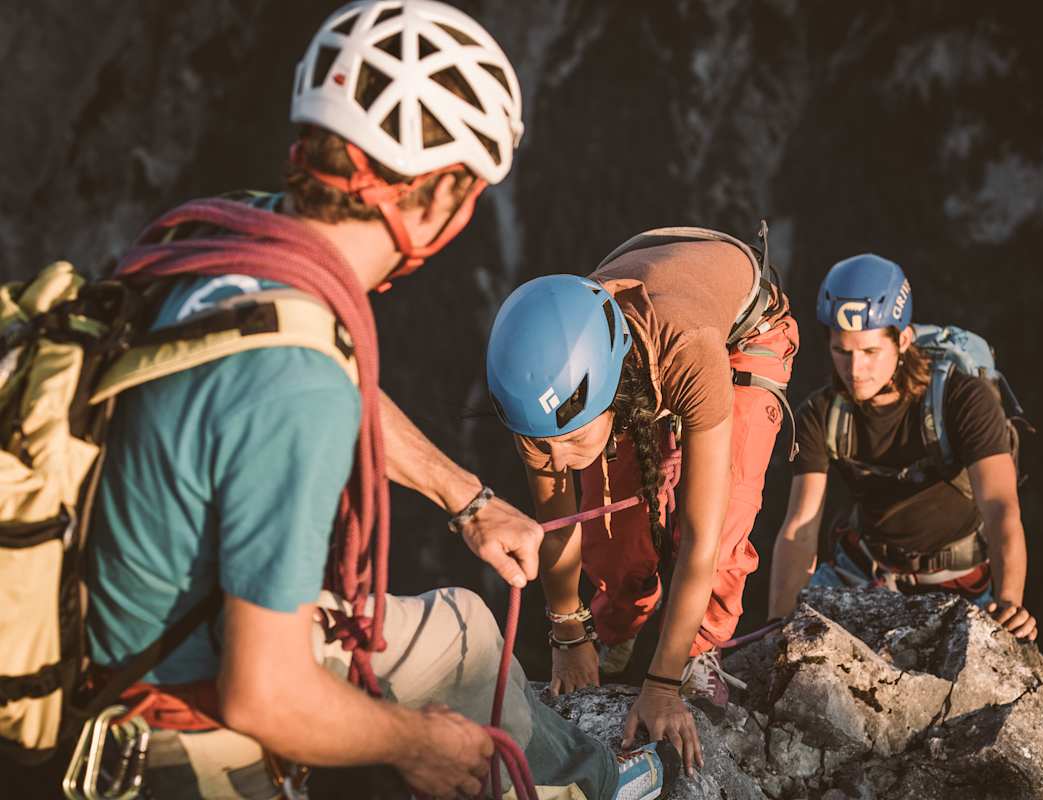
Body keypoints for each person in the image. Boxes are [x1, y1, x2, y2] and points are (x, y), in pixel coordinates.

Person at [85, 2, 675, 798]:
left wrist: (467, 500)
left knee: (466, 632)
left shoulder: (235, 239)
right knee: (431, 736)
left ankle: (588, 781)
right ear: (435, 199)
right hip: (176, 718)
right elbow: (265, 692)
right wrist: (415, 742)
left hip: (138, 621)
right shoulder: (292, 383)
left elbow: (337, 371)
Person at [486, 226, 800, 777]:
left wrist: (662, 686)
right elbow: (560, 520)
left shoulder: (687, 353)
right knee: (613, 541)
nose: (556, 461)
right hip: (646, 334)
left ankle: (699, 652)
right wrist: (568, 631)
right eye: (542, 446)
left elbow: (701, 539)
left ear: (609, 395)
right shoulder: (544, 395)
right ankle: (618, 627)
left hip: (743, 331)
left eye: (570, 441)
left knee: (726, 528)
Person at [768, 253, 1037, 641]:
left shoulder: (962, 399)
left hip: (957, 582)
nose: (855, 370)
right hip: (864, 569)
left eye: (870, 352)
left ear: (903, 340)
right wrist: (778, 625)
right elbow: (801, 526)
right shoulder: (820, 413)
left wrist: (1010, 602)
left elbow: (1000, 506)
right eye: (842, 351)